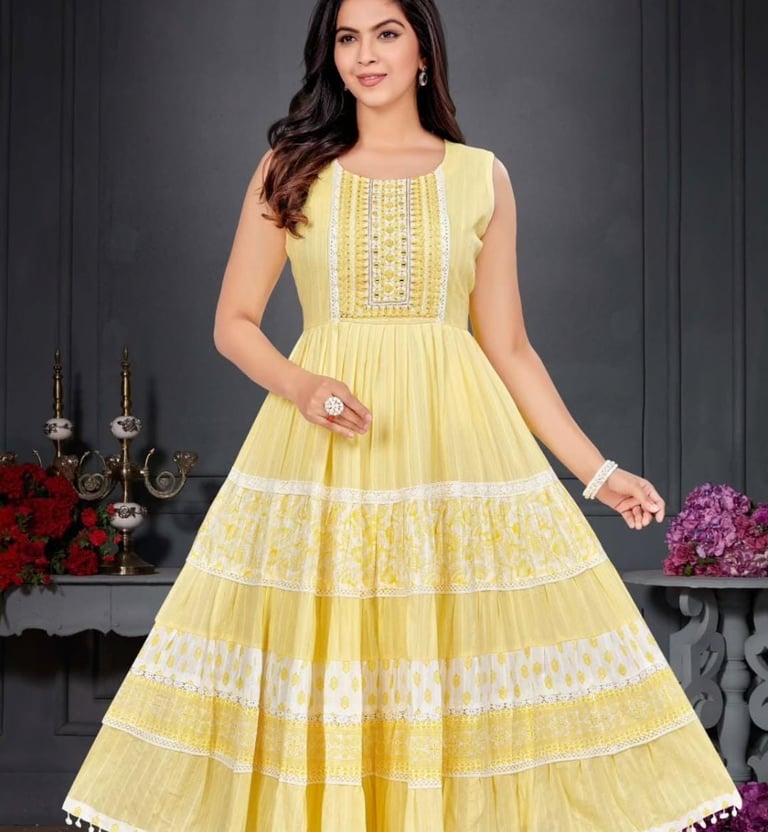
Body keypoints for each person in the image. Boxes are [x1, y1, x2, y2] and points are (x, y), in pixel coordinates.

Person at [63, 0, 741, 829]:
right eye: (348, 38)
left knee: (446, 654)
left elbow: (511, 348)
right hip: (321, 450)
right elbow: (233, 323)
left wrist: (597, 473)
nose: (366, 54)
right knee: (328, 653)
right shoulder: (289, 167)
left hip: (453, 452)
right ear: (331, 56)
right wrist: (301, 385)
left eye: (386, 33)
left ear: (423, 51)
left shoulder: (481, 176)